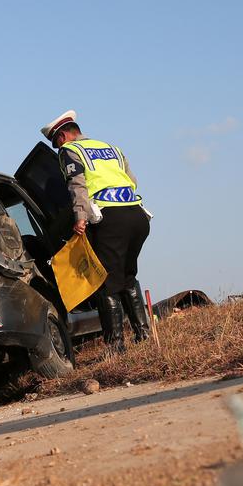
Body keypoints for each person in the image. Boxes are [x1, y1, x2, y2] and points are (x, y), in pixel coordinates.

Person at [40, 109, 152, 351]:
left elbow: (77, 186)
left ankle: (115, 346)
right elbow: (132, 180)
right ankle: (143, 336)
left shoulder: (70, 151)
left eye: (56, 145)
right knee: (127, 276)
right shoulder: (111, 148)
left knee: (105, 282)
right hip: (138, 216)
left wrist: (80, 217)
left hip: (110, 219)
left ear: (61, 138)